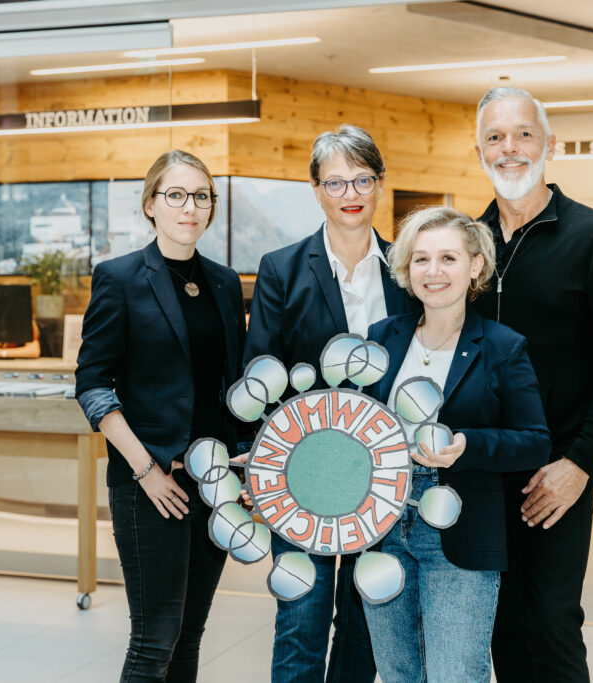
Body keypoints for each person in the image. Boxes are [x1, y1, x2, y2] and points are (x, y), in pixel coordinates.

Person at [472, 86, 593, 682]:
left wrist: (581, 461)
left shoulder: (592, 235)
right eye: (495, 137)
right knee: (501, 629)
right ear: (479, 153)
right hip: (482, 475)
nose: (510, 149)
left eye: (523, 134)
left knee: (551, 624)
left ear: (551, 145)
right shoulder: (467, 245)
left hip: (556, 475)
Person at [244, 124, 416, 683]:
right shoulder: (282, 268)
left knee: (367, 625)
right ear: (316, 188)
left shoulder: (409, 272)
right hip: (304, 473)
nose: (351, 194)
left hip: (384, 476)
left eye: (362, 179)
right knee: (302, 619)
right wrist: (256, 466)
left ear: (380, 183)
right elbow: (261, 373)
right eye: (336, 182)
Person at [75, 149, 245, 682]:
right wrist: (144, 469)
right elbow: (93, 384)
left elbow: (231, 384)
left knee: (190, 637)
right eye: (176, 195)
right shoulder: (120, 278)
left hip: (212, 481)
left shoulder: (223, 283)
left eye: (201, 196)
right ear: (151, 204)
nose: (189, 207)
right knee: (154, 640)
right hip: (150, 482)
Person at [363, 206, 551, 683]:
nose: (434, 271)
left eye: (448, 258)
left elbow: (535, 443)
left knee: (454, 675)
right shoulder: (381, 338)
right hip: (383, 521)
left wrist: (468, 444)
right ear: (406, 270)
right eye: (421, 259)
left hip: (459, 531)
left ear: (476, 267)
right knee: (397, 674)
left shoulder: (503, 346)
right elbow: (357, 425)